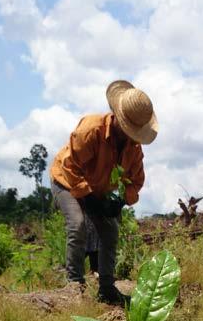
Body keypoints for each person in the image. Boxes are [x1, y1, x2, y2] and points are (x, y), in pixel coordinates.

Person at [50, 80, 158, 306]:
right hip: (67, 181)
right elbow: (71, 167)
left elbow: (135, 182)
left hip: (97, 189)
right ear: (117, 117)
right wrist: (88, 199)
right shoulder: (91, 129)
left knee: (110, 232)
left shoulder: (134, 149)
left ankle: (107, 288)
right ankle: (74, 283)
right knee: (77, 225)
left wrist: (119, 201)